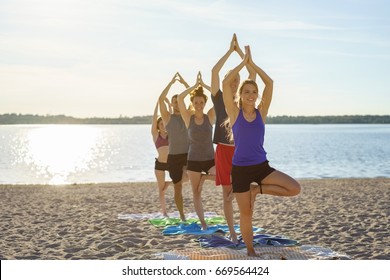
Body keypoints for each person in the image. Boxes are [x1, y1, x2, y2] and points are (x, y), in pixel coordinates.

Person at [222, 46, 301, 256]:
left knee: (294, 188)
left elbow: (270, 83)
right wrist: (242, 62)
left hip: (261, 167)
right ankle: (250, 250)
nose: (251, 95)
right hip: (240, 170)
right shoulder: (234, 113)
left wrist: (252, 63)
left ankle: (258, 190)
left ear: (257, 96)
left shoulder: (261, 112)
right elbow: (224, 83)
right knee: (247, 213)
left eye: (254, 92)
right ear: (240, 95)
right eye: (246, 92)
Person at [211, 33, 256, 243]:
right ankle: (233, 232)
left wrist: (245, 57)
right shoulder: (219, 98)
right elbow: (215, 71)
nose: (235, 82)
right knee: (227, 195)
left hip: (241, 150)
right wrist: (231, 51)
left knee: (243, 193)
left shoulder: (243, 101)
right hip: (223, 149)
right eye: (232, 79)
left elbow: (252, 77)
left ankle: (245, 228)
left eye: (237, 80)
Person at [177, 72, 216, 230]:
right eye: (196, 102)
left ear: (205, 102)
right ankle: (203, 223)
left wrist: (204, 85)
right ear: (192, 103)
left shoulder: (210, 116)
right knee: (196, 192)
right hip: (193, 160)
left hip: (209, 159)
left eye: (201, 101)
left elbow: (218, 98)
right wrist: (193, 86)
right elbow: (180, 99)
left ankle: (204, 178)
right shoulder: (188, 118)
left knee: (220, 177)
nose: (199, 104)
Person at [159, 72, 190, 221]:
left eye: (180, 101)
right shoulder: (167, 117)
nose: (178, 104)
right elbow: (160, 99)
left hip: (189, 155)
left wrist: (184, 83)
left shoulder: (187, 114)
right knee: (178, 188)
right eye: (175, 102)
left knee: (193, 179)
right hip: (174, 157)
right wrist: (171, 83)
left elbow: (192, 95)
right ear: (171, 104)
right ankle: (182, 215)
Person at [151, 99, 172, 217]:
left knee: (185, 179)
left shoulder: (170, 135)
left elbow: (170, 118)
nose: (163, 125)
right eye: (161, 124)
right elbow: (154, 120)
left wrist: (168, 105)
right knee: (161, 189)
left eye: (164, 123)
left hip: (170, 163)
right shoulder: (155, 135)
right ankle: (164, 212)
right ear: (158, 126)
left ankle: (169, 183)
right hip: (160, 164)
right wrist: (156, 105)